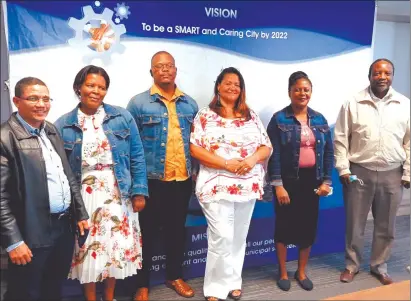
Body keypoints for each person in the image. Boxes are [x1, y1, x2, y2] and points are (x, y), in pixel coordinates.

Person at [54, 65, 148, 301]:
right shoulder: (63, 124)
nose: (96, 91)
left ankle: (109, 297)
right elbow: (60, 168)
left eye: (101, 87)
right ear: (79, 88)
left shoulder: (122, 117)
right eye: (90, 85)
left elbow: (137, 155)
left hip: (118, 191)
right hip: (84, 194)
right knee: (88, 249)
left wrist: (139, 192)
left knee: (113, 247)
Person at [0, 77, 89, 301]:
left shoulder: (50, 129)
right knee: (24, 292)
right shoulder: (4, 137)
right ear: (16, 101)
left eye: (45, 99)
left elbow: (67, 175)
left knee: (53, 287)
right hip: (30, 231)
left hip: (62, 228)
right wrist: (13, 241)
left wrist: (79, 212)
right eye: (33, 98)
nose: (42, 104)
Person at [190, 67, 272, 301]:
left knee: (238, 237)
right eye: (228, 83)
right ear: (218, 86)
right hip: (215, 185)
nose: (233, 87)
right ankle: (215, 288)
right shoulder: (205, 115)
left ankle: (234, 282)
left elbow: (265, 146)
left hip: (246, 186)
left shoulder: (250, 115)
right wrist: (226, 164)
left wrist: (251, 159)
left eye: (237, 84)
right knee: (221, 236)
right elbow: (195, 148)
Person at [127, 51, 199, 300]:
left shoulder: (190, 104)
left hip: (181, 181)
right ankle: (142, 283)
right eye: (159, 67)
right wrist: (137, 186)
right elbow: (132, 148)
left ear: (176, 70)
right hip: (151, 182)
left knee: (176, 231)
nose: (165, 70)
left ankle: (174, 275)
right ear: (151, 72)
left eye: (169, 66)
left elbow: (196, 144)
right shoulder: (137, 104)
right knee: (145, 233)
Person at [334, 58, 410, 285]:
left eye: (387, 73)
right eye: (377, 73)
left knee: (386, 225)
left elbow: (409, 142)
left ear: (392, 76)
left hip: (392, 173)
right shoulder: (353, 103)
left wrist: (407, 173)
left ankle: (379, 265)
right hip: (359, 172)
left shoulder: (404, 104)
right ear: (370, 76)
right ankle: (351, 265)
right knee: (355, 223)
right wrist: (343, 169)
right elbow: (340, 138)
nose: (382, 77)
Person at [266, 71, 334, 291]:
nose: (302, 93)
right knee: (284, 227)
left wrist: (327, 182)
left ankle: (301, 272)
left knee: (307, 228)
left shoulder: (320, 119)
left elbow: (328, 153)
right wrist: (277, 185)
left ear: (310, 92)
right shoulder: (279, 119)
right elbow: (272, 154)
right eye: (297, 89)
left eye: (306, 89)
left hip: (311, 182)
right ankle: (283, 272)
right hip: (287, 182)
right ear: (289, 92)